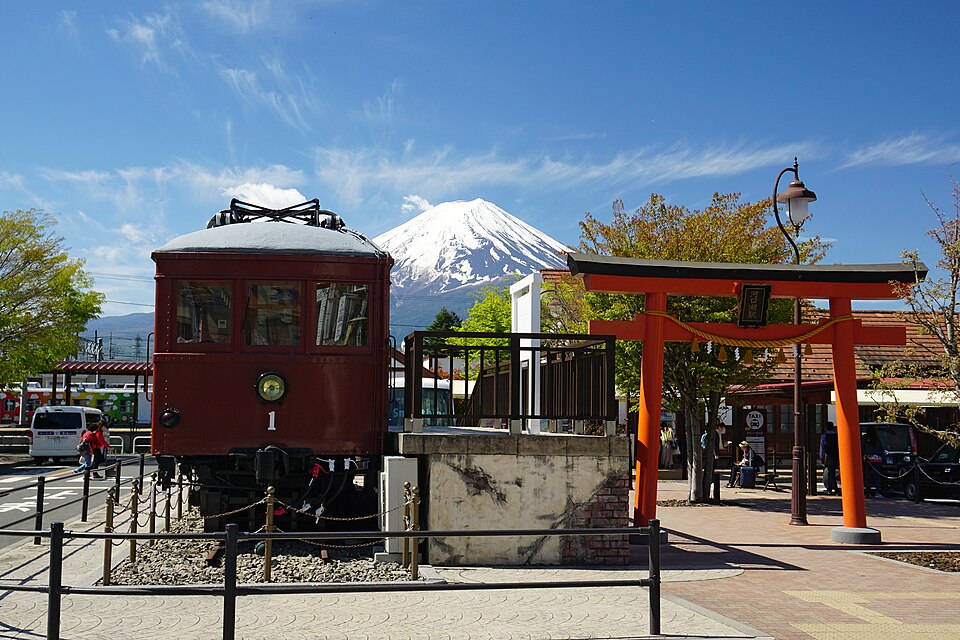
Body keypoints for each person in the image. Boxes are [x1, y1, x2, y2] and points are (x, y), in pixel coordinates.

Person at [862, 425, 885, 498]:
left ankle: (867, 493)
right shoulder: (878, 439)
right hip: (877, 459)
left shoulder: (865, 439)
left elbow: (862, 449)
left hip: (868, 459)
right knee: (877, 477)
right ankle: (878, 492)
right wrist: (883, 458)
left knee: (867, 477)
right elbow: (882, 449)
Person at [820, 422, 840, 495]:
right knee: (832, 472)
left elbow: (822, 448)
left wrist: (821, 457)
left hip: (828, 456)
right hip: (836, 456)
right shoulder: (837, 436)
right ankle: (832, 488)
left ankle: (832, 488)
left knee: (830, 472)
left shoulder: (824, 436)